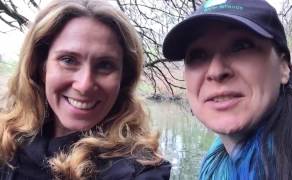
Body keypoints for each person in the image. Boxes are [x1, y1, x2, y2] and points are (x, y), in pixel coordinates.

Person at [0, 0, 171, 179]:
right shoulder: (7, 142)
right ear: (41, 67)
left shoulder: (141, 170)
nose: (84, 85)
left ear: (123, 78)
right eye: (68, 60)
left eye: (105, 65)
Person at [163, 0, 292, 179]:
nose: (216, 71)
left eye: (241, 46)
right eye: (197, 55)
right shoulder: (215, 165)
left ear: (283, 68)